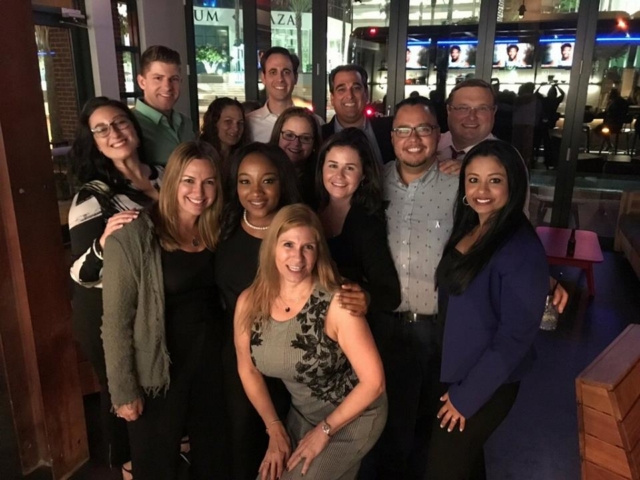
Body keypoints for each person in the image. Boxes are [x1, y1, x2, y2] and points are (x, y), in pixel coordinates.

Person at [101, 140, 227, 479]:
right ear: (171, 181)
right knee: (155, 466)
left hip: (211, 365)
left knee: (214, 460)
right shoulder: (133, 236)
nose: (199, 192)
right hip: (157, 370)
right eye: (189, 180)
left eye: (209, 181)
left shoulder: (217, 228)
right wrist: (123, 391)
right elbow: (115, 323)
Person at [234, 203, 387, 480]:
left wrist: (324, 431)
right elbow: (248, 369)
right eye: (288, 245)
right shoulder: (249, 302)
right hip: (303, 414)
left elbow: (374, 383)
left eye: (308, 247)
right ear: (272, 247)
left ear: (318, 252)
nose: (298, 257)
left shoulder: (338, 302)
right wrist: (274, 428)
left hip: (354, 415)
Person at [425, 140, 548, 479]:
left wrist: (466, 397)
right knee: (466, 466)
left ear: (513, 184)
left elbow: (515, 337)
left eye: (495, 180)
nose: (482, 191)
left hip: (486, 383)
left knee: (442, 470)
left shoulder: (520, 247)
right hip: (456, 370)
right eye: (473, 180)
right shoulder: (472, 227)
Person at [68, 96, 164, 480]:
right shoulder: (92, 196)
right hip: (108, 312)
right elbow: (80, 272)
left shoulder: (164, 174)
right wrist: (103, 243)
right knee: (126, 395)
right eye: (101, 129)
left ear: (134, 127)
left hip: (154, 304)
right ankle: (130, 467)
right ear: (92, 141)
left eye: (120, 122)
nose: (114, 133)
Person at [215, 142, 302, 480]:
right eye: (245, 181)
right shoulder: (223, 227)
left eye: (267, 180)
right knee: (241, 445)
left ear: (282, 182)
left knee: (284, 452)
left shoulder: (297, 232)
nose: (256, 192)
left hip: (287, 358)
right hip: (235, 359)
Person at [315, 127, 401, 316]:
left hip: (347, 322)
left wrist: (366, 297)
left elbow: (390, 294)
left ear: (363, 174)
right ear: (321, 167)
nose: (339, 175)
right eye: (333, 165)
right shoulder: (308, 208)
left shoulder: (368, 223)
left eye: (350, 168)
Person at [133, 45, 195, 166]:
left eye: (174, 79)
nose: (167, 87)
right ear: (142, 82)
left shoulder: (186, 123)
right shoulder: (130, 125)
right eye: (158, 78)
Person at [247, 47, 323, 142]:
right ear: (263, 78)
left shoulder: (316, 122)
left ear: (295, 78)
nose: (280, 79)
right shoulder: (249, 123)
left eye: (286, 72)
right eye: (273, 72)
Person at [322, 65, 394, 165]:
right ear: (332, 98)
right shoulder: (320, 136)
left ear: (366, 94)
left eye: (356, 88)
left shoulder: (389, 129)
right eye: (341, 89)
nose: (350, 96)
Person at [268, 106, 322, 204]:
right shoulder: (263, 166)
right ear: (277, 135)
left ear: (314, 143)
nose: (296, 143)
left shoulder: (322, 178)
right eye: (289, 135)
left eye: (305, 138)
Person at [200, 97, 248, 176]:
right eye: (228, 121)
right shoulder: (200, 155)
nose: (236, 128)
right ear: (214, 123)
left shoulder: (244, 157)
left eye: (240, 123)